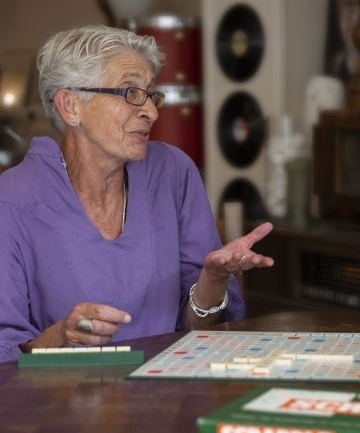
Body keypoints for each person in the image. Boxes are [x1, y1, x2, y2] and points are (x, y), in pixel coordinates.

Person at [0, 25, 274, 362]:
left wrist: (213, 281)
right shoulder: (12, 199)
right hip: (67, 392)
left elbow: (202, 331)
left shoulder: (173, 172)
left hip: (170, 383)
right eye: (130, 92)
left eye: (151, 94)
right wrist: (60, 336)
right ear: (70, 106)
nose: (152, 112)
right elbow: (5, 358)